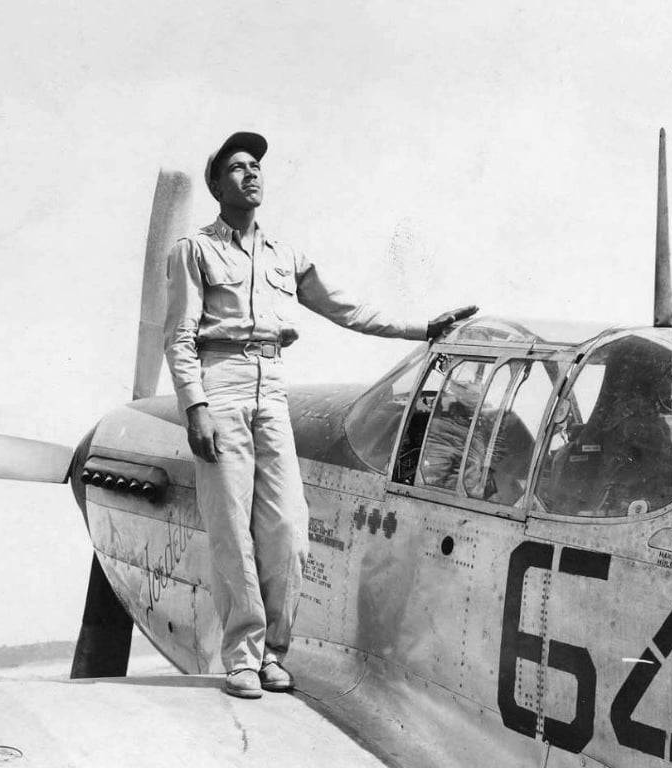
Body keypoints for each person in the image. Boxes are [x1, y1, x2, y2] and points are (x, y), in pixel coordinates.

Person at [162, 131, 476, 699]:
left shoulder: (286, 254)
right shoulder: (195, 251)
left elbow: (347, 308)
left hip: (272, 386)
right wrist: (195, 407)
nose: (251, 174)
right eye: (236, 167)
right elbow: (180, 337)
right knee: (232, 530)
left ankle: (274, 653)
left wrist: (423, 328)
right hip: (222, 383)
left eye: (256, 165)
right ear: (216, 186)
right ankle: (242, 657)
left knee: (287, 528)